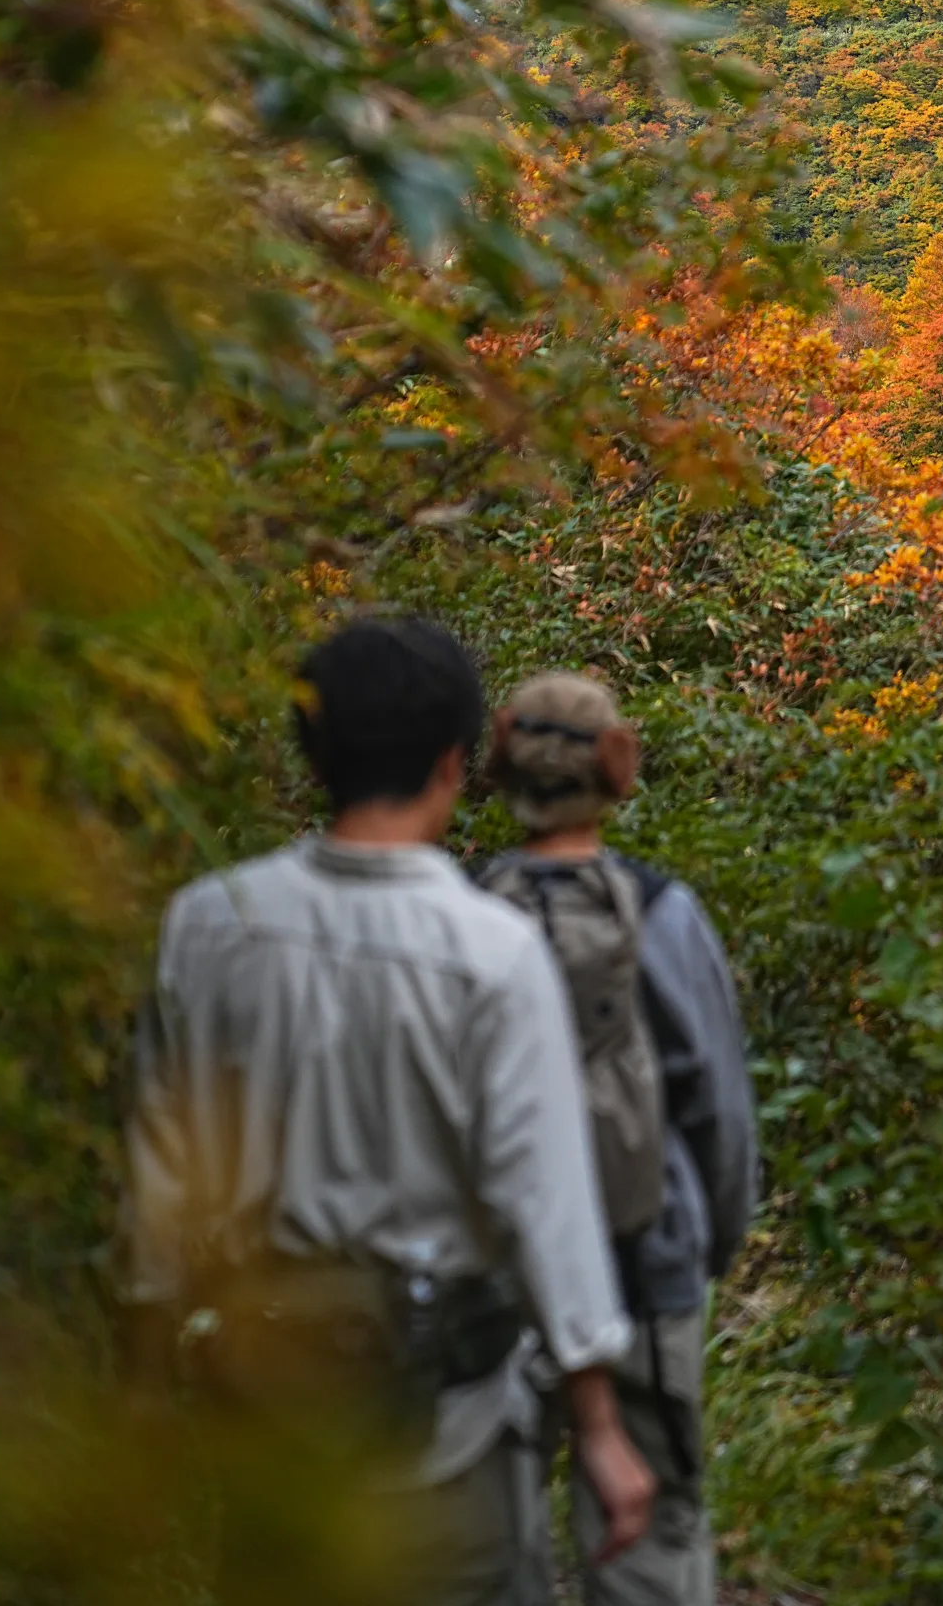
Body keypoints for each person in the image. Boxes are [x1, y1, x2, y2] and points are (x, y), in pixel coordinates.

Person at [118, 616, 655, 1606]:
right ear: (456, 760)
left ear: (312, 752)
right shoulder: (489, 953)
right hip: (445, 1429)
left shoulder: (210, 923)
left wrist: (149, 1387)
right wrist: (599, 1426)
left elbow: (161, 1168)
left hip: (267, 1412)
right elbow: (544, 1199)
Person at [480, 671, 758, 1606]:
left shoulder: (467, 914)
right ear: (617, 765)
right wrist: (711, 1243)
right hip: (647, 1263)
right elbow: (717, 1107)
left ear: (498, 760)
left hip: (498, 1281)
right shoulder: (662, 914)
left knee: (492, 1548)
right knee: (654, 1538)